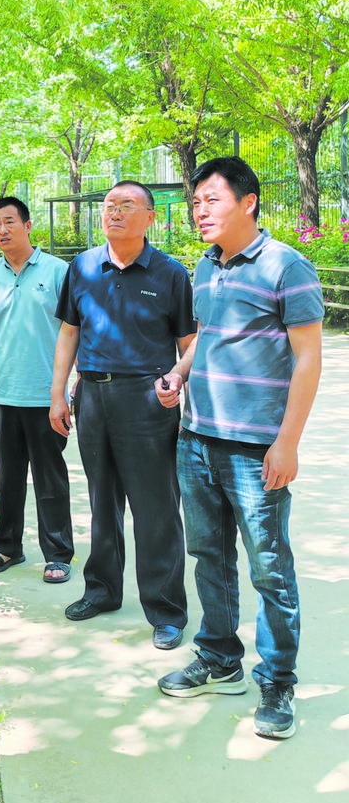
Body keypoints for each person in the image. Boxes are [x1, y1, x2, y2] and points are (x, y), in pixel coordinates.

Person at [154, 157, 323, 740]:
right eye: (196, 201)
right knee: (209, 556)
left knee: (269, 568)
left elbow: (308, 359)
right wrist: (178, 374)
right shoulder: (205, 267)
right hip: (196, 440)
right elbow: (207, 339)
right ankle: (219, 656)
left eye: (211, 199)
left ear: (248, 202)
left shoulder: (286, 267)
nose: (199, 210)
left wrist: (288, 443)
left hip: (256, 450)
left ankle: (277, 681)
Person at [50, 181, 196, 650]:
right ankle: (102, 590)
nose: (113, 212)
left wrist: (177, 379)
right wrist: (58, 394)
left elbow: (189, 343)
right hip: (91, 396)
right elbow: (69, 333)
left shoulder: (171, 273)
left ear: (150, 217)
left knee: (156, 508)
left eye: (126, 205)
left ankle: (167, 610)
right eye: (109, 205)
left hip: (147, 400)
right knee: (101, 501)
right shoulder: (83, 267)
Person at [0, 196, 74, 584]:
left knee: (50, 477)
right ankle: (8, 546)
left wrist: (66, 388)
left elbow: (73, 331)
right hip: (2, 395)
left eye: (9, 221)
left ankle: (58, 553)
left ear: (28, 226)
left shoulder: (59, 272)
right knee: (8, 476)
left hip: (46, 396)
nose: (2, 230)